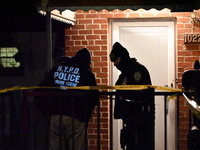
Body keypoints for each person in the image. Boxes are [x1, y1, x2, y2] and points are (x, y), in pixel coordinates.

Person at [34, 48, 99, 150]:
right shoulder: (86, 73)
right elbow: (94, 98)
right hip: (76, 117)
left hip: (56, 116)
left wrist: (46, 110)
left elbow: (40, 90)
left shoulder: (58, 68)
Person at [109, 42, 154, 150]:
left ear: (122, 57)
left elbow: (140, 94)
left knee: (140, 145)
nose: (114, 64)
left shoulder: (137, 71)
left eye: (115, 60)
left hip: (140, 118)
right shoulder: (126, 72)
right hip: (130, 119)